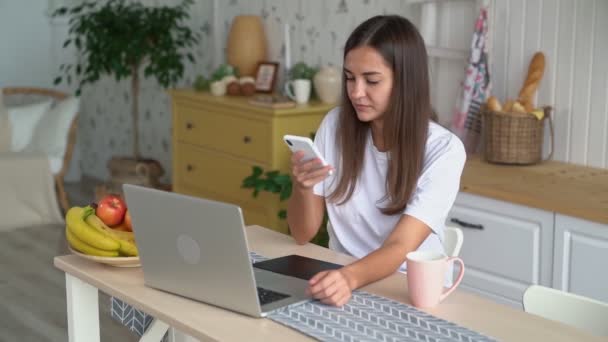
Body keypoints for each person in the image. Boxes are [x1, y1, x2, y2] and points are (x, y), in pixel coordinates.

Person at [286, 15, 466, 307]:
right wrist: (303, 188)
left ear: (406, 81)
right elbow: (302, 234)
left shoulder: (444, 150)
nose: (356, 92)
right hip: (343, 277)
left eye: (371, 80)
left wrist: (348, 278)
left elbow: (400, 246)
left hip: (407, 290)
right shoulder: (334, 126)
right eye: (349, 78)